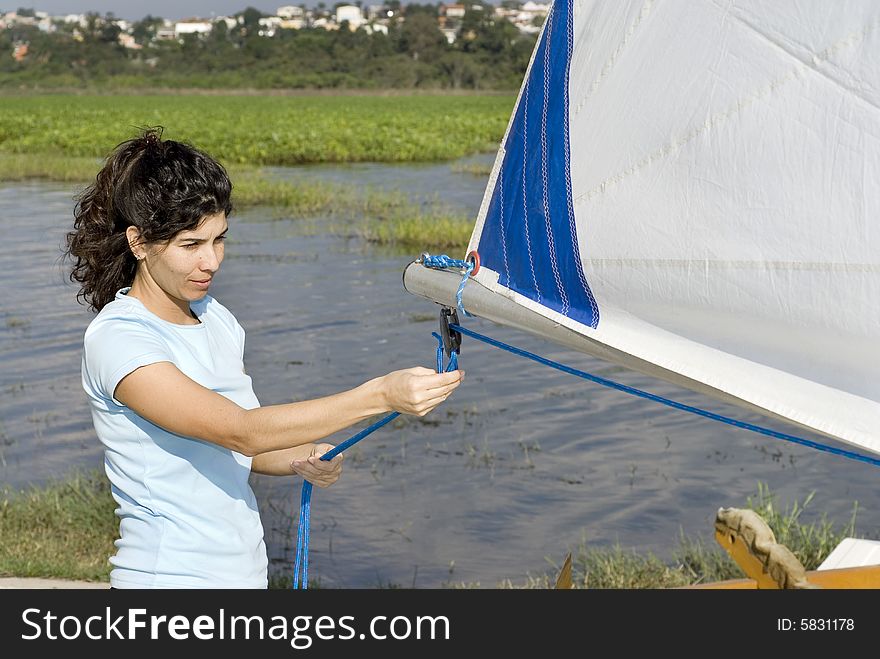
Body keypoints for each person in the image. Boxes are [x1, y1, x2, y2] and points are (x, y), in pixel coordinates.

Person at [65, 128, 464, 589]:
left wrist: (304, 455)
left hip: (240, 576)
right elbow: (243, 432)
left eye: (219, 240)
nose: (211, 262)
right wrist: (381, 394)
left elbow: (246, 451)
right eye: (190, 245)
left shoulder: (215, 319)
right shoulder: (119, 339)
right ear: (138, 243)